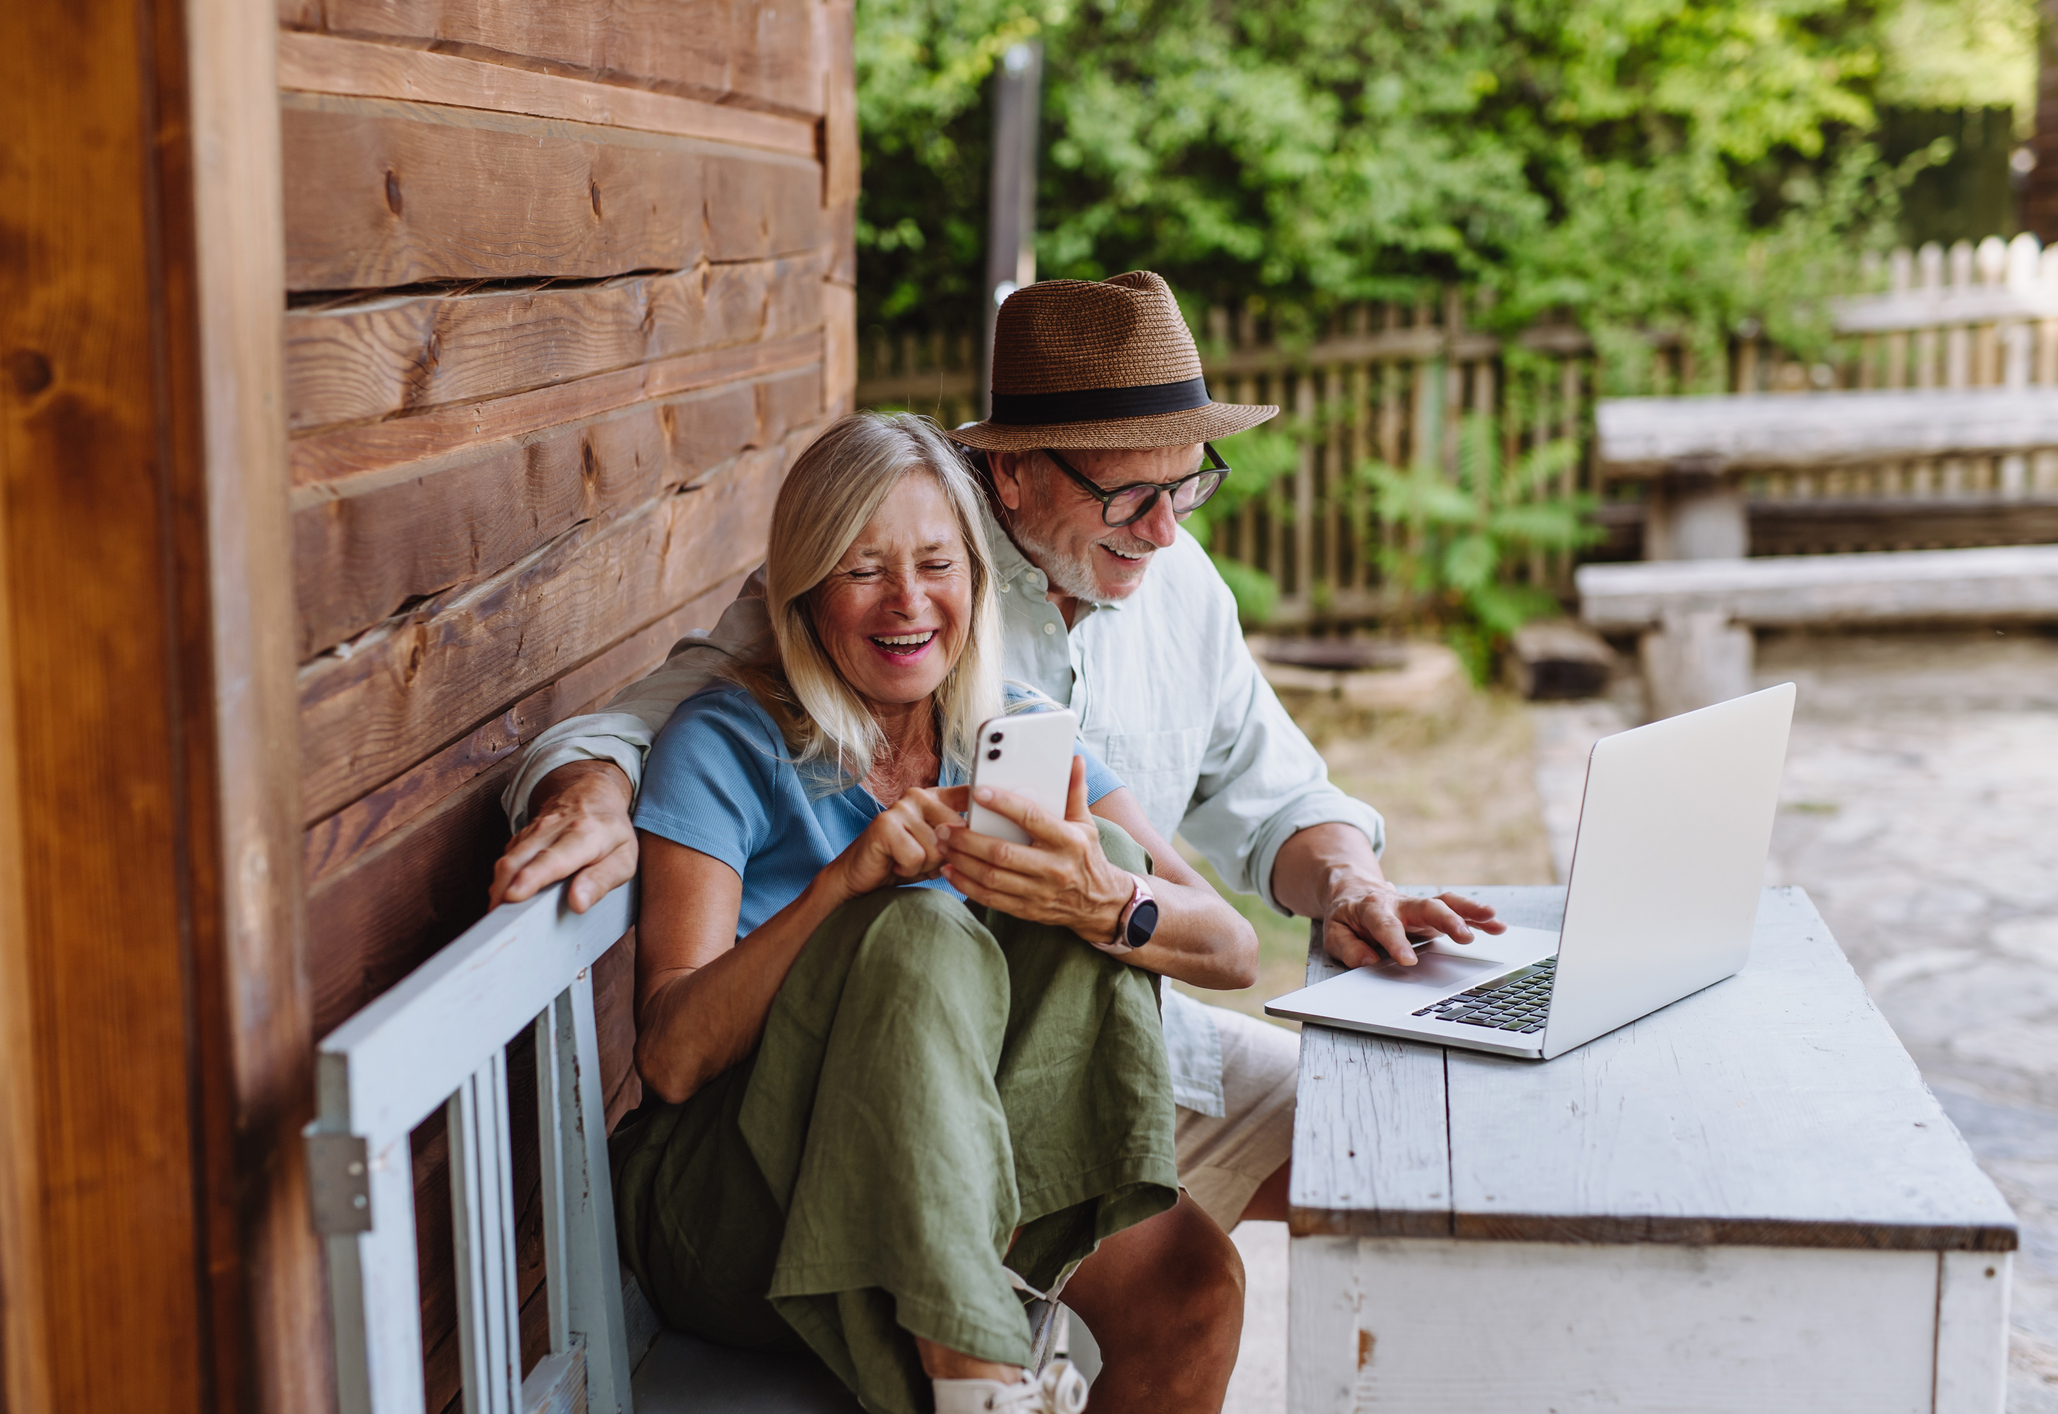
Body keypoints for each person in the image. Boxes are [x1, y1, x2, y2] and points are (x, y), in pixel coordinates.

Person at [493, 271, 1505, 1382]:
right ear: (1011, 478)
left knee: (1381, 1161)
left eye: (1189, 486)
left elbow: (1267, 830)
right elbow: (678, 708)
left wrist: (1326, 883)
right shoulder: (812, 651)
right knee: (922, 929)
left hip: (1080, 1064)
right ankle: (978, 1354)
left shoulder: (1116, 635)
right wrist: (589, 777)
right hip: (811, 1123)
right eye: (1129, 494)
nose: (1165, 527)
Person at [619, 412, 1258, 1414]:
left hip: (970, 1170)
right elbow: (670, 1055)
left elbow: (1233, 945)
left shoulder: (1019, 732)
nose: (908, 602)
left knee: (1194, 1288)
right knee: (916, 924)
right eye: (863, 568)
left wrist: (1101, 898)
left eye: (935, 563)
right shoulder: (727, 742)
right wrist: (846, 884)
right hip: (740, 1204)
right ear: (804, 590)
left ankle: (973, 1295)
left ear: (975, 574)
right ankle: (979, 1374)